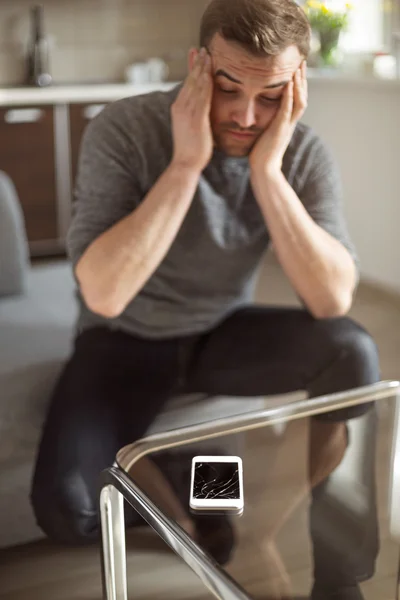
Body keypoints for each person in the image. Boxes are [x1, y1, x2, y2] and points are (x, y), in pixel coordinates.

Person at [31, 0, 381, 598]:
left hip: (222, 332)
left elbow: (330, 300)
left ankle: (339, 578)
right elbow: (106, 294)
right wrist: (186, 164)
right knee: (69, 513)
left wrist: (268, 173)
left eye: (270, 95)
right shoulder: (125, 128)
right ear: (198, 67)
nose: (247, 115)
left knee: (352, 349)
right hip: (122, 339)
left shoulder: (299, 152)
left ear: (297, 85)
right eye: (228, 87)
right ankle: (174, 493)